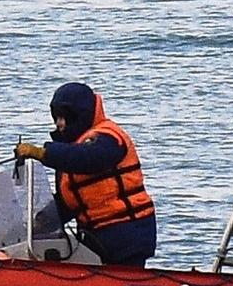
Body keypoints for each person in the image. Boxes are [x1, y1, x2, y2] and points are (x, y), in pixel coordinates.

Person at [13, 82, 156, 267]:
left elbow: (89, 158)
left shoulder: (108, 136)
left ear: (81, 114)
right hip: (97, 236)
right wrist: (39, 223)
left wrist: (42, 154)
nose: (59, 124)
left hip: (127, 232)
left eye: (65, 117)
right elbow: (70, 201)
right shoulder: (72, 149)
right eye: (56, 118)